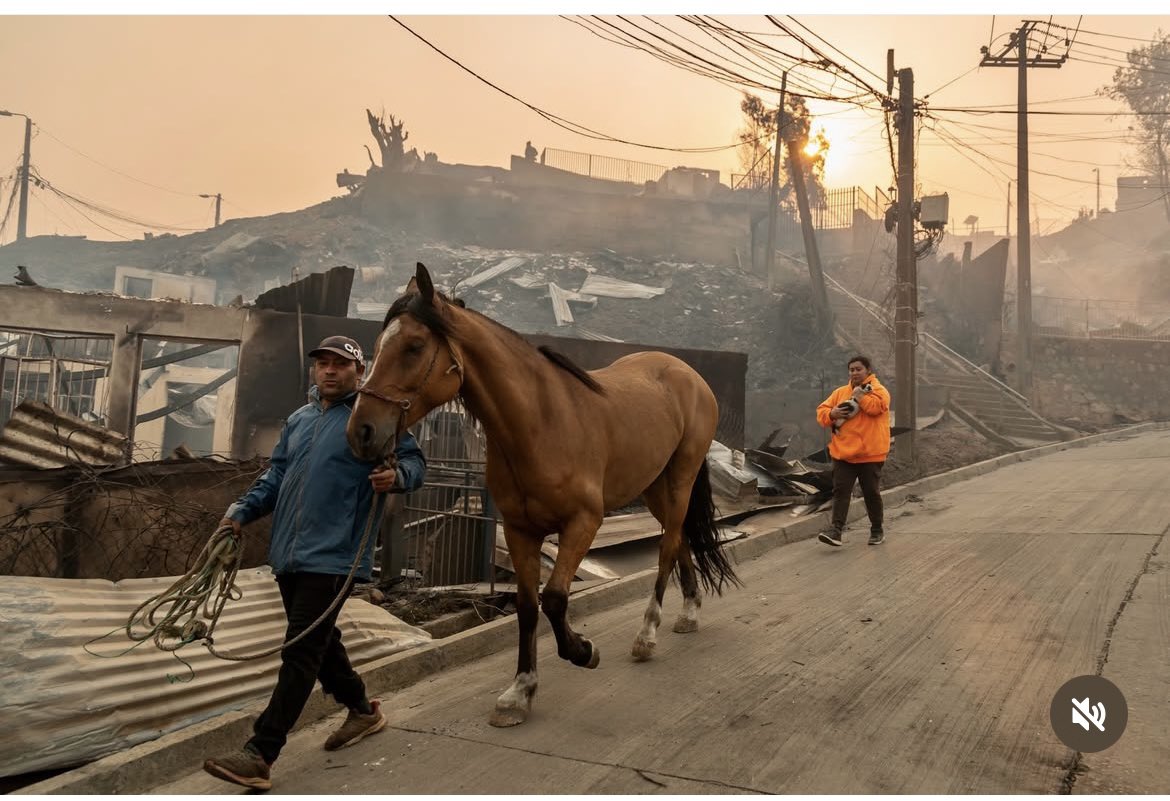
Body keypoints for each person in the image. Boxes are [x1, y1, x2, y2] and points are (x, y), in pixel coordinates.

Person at [202, 335, 426, 791]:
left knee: (300, 649)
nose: (329, 370)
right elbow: (277, 476)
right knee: (320, 643)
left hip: (337, 554)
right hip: (289, 553)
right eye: (322, 363)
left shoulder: (373, 417)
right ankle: (363, 711)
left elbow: (416, 464)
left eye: (340, 364)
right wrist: (239, 513)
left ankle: (260, 753)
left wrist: (396, 476)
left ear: (358, 372)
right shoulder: (300, 420)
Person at [815, 354, 891, 547]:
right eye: (851, 369)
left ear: (868, 370)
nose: (855, 372)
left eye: (858, 369)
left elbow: (876, 408)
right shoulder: (840, 392)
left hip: (870, 454)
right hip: (843, 453)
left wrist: (859, 397)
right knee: (841, 491)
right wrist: (831, 414)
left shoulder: (879, 391)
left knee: (870, 492)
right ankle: (836, 531)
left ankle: (876, 530)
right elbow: (821, 411)